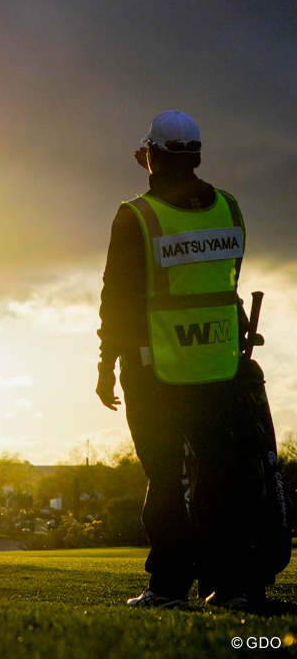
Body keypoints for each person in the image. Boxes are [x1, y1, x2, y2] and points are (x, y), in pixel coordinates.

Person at [95, 110, 253, 609]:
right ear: (198, 155)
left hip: (154, 368)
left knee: (165, 479)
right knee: (219, 476)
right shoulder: (228, 207)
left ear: (153, 156)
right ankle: (228, 588)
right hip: (219, 367)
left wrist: (104, 366)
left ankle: (166, 588)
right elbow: (225, 286)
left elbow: (115, 299)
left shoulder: (136, 215)